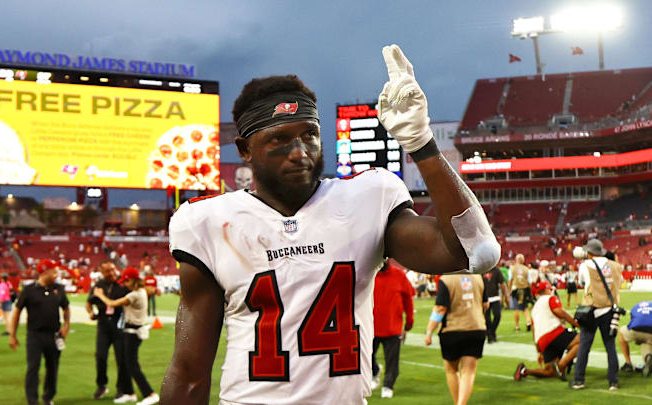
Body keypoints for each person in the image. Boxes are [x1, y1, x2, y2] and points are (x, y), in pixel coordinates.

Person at [161, 44, 500, 405]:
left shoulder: (366, 198)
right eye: (279, 139)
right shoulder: (211, 223)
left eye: (308, 134)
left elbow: (477, 251)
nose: (300, 151)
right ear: (244, 150)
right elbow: (188, 373)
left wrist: (421, 143)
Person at [9, 259, 71, 405]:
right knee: (33, 368)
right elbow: (17, 312)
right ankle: (32, 400)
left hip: (55, 335)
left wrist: (66, 327)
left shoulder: (59, 289)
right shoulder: (29, 290)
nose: (57, 274)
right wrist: (13, 335)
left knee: (52, 368)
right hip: (35, 336)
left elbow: (66, 308)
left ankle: (48, 397)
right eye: (54, 271)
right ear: (44, 272)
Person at [95, 267, 159, 405]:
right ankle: (129, 392)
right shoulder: (140, 291)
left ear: (134, 280)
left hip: (132, 332)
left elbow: (112, 303)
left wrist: (100, 294)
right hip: (131, 330)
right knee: (125, 363)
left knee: (132, 365)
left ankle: (150, 393)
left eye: (127, 281)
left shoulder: (134, 295)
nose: (124, 284)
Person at [424, 274, 488, 405]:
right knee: (468, 372)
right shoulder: (478, 277)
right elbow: (485, 304)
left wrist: (429, 331)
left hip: (452, 330)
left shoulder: (446, 279)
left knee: (452, 370)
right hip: (476, 328)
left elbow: (440, 308)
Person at [570, 239, 623, 390]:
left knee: (584, 346)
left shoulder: (585, 265)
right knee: (610, 346)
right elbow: (619, 282)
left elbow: (581, 282)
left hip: (590, 310)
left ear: (590, 252)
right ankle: (613, 381)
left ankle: (579, 380)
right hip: (608, 309)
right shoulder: (615, 265)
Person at [514, 281, 580, 381]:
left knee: (550, 372)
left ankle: (525, 371)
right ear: (547, 290)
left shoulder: (535, 307)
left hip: (542, 341)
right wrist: (575, 323)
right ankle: (562, 364)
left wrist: (539, 351)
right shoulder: (550, 298)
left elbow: (533, 330)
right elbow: (559, 311)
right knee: (584, 339)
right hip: (554, 333)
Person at [86, 260, 130, 401]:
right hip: (103, 325)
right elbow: (89, 302)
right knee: (100, 356)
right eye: (107, 271)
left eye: (113, 269)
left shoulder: (123, 284)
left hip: (119, 324)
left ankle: (121, 388)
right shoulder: (98, 285)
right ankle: (102, 385)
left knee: (121, 358)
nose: (111, 273)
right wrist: (90, 312)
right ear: (102, 272)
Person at [370, 259, 415, 398]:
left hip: (393, 328)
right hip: (371, 327)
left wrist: (409, 323)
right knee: (366, 357)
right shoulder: (369, 275)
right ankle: (374, 371)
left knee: (392, 361)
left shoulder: (400, 275)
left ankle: (388, 385)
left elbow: (408, 300)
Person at [619, 300, 652, 377]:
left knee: (621, 332)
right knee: (648, 340)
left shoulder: (635, 307)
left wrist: (636, 339)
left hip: (636, 330)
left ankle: (628, 363)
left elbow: (632, 323)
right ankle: (648, 357)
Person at [483, 263, 508, 343]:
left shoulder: (496, 270)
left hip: (495, 297)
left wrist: (506, 295)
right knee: (487, 319)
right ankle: (491, 336)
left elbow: (502, 283)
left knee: (497, 316)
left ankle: (491, 332)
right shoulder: (481, 270)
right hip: (484, 298)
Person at [509, 254, 532, 332]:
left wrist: (509, 290)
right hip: (524, 289)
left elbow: (510, 280)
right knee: (524, 307)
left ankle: (517, 326)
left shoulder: (512, 268)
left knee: (516, 308)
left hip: (515, 289)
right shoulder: (526, 269)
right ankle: (528, 321)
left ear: (516, 260)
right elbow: (529, 282)